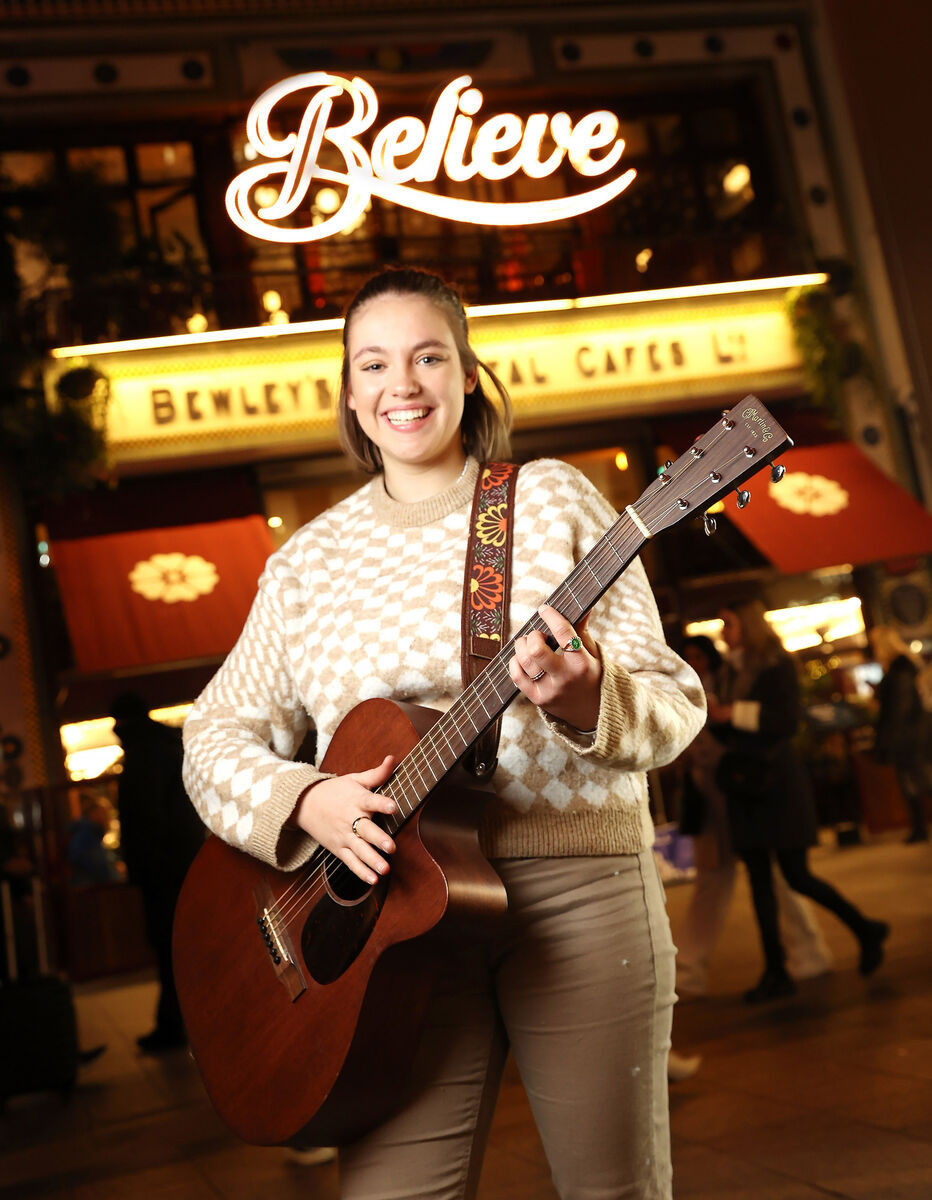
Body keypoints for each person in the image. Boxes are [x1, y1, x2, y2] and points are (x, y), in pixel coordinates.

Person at [182, 266, 707, 1199]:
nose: (403, 384)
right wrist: (306, 798)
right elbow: (213, 734)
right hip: (393, 930)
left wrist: (586, 694)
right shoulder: (306, 563)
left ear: (468, 374)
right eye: (374, 364)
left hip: (575, 893)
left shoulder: (553, 501)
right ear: (350, 394)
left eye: (429, 356)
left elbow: (671, 702)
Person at [708, 601, 889, 1004]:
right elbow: (727, 730)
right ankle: (776, 970)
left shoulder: (776, 664)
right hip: (745, 783)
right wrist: (718, 718)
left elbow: (786, 721)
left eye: (729, 622)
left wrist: (730, 713)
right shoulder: (727, 672)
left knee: (796, 874)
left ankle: (865, 928)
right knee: (759, 882)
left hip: (776, 782)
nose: (724, 632)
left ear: (749, 626)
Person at [673, 635, 833, 998]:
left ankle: (806, 954)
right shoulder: (711, 680)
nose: (695, 661)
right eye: (689, 656)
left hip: (741, 788)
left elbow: (775, 721)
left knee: (774, 875)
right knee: (737, 877)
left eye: (700, 655)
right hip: (717, 792)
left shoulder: (741, 677)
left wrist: (725, 717)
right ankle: (694, 971)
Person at [110, 692, 205, 1052]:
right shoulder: (168, 746)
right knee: (185, 947)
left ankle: (172, 1027)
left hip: (163, 869)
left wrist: (141, 867)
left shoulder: (143, 755)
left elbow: (145, 819)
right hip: (185, 862)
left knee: (170, 949)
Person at [869, 625, 929, 843]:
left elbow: (900, 707)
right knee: (917, 779)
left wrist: (890, 737)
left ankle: (919, 828)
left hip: (906, 735)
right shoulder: (904, 666)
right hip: (912, 731)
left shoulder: (899, 669)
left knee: (916, 780)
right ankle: (918, 827)